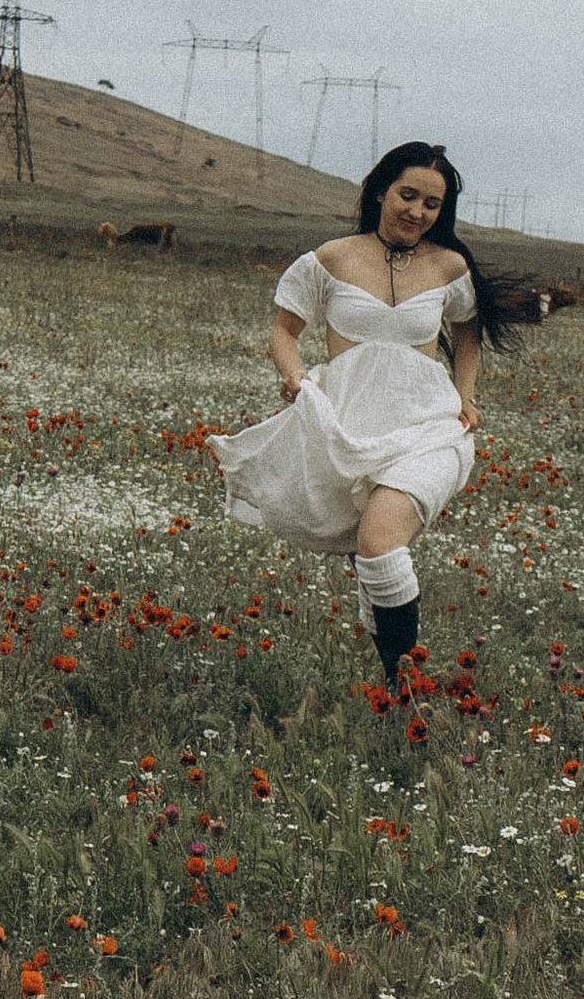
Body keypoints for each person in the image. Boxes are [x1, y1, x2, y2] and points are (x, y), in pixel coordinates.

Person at [210, 141, 507, 682]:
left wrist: (465, 395)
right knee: (372, 561)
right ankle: (399, 694)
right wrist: (294, 375)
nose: (417, 212)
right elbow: (284, 330)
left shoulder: (449, 266)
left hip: (429, 428)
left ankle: (404, 685)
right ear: (380, 192)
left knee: (378, 542)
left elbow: (468, 334)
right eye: (408, 195)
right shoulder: (331, 258)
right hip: (349, 429)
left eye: (432, 204)